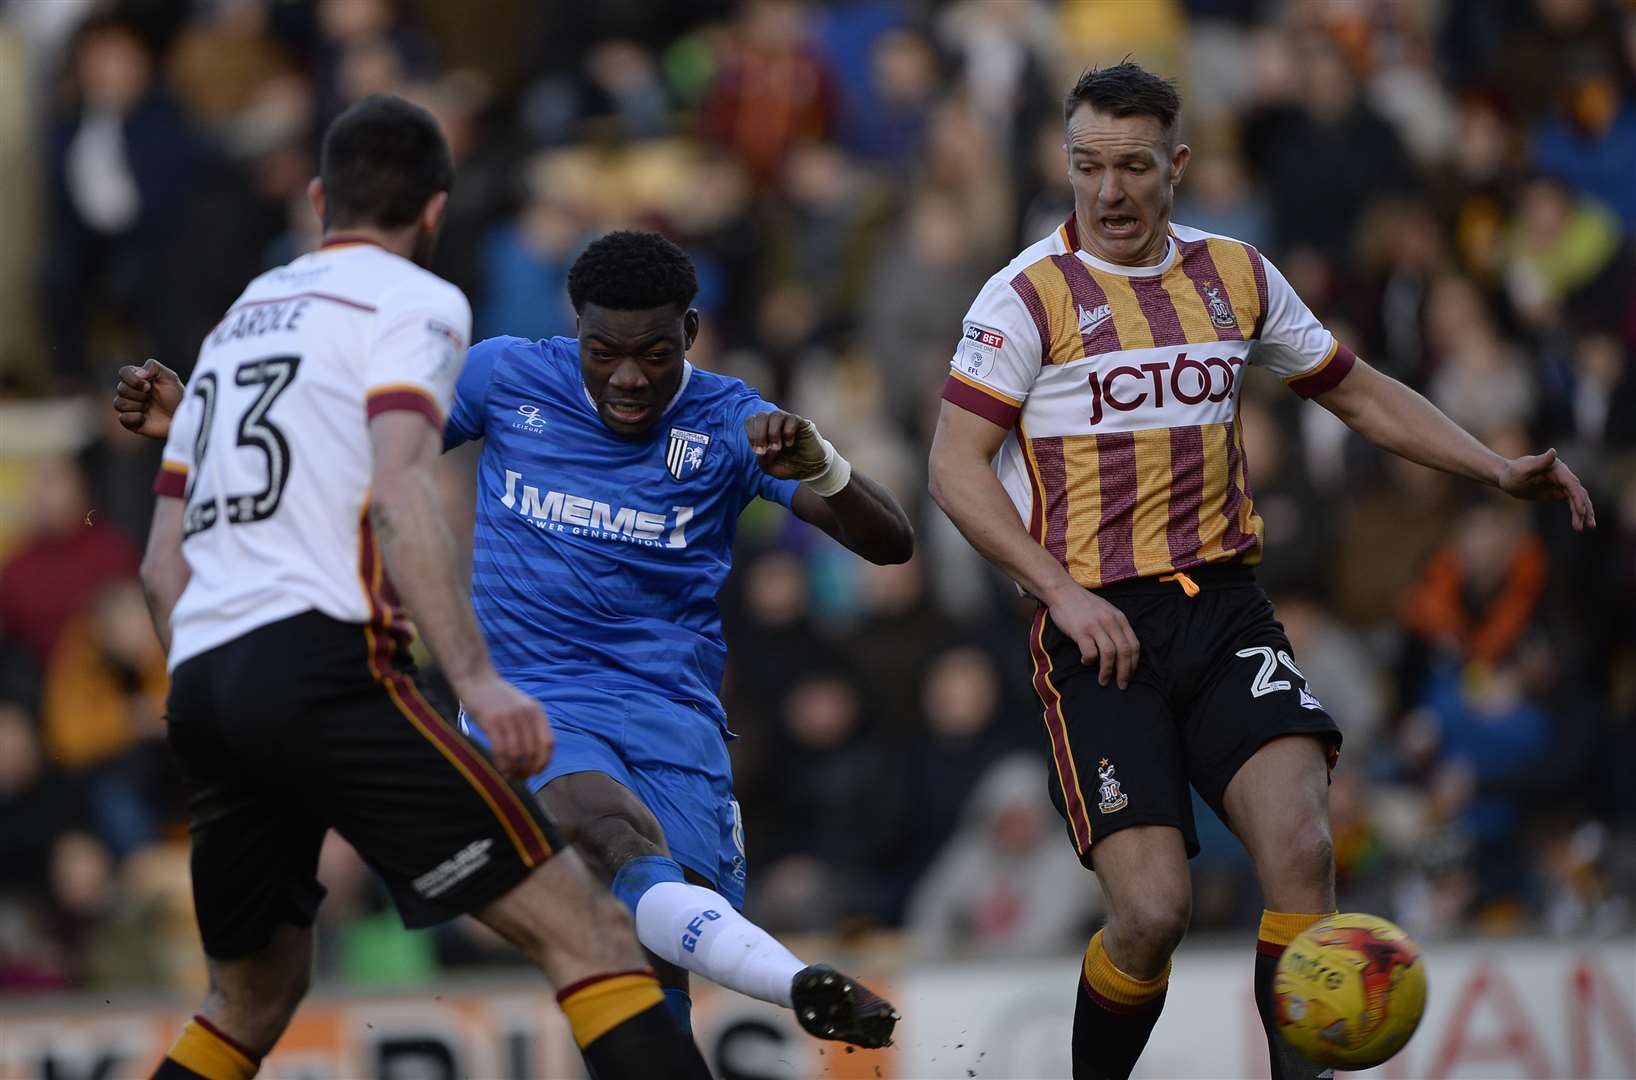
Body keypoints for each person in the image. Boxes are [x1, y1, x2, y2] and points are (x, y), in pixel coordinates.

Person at [926, 63, 1595, 1080]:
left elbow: (1357, 394)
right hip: (1096, 630)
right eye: (1086, 166)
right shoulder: (1025, 297)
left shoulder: (1234, 275)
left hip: (1224, 606)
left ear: (1177, 166)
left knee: (1304, 851)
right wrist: (1060, 593)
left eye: (1134, 167)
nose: (1108, 192)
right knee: (1151, 914)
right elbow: (950, 466)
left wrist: (1494, 465)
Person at [115, 229, 912, 1048]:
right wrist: (197, 430)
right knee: (611, 837)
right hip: (534, 700)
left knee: (651, 977)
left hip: (678, 722)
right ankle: (793, 981)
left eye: (654, 355)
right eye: (603, 351)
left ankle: (764, 992)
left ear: (691, 336)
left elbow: (892, 543)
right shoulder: (503, 376)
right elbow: (344, 452)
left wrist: (824, 469)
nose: (628, 377)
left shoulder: (732, 421)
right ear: (577, 333)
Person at [129, 96, 709, 1080]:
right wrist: (479, 683)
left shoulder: (236, 323)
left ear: (318, 199)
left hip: (204, 685)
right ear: (435, 213)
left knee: (250, 997)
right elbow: (400, 482)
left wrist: (220, 694)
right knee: (592, 940)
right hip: (324, 667)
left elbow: (157, 566)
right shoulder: (413, 300)